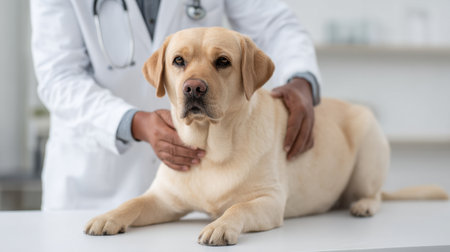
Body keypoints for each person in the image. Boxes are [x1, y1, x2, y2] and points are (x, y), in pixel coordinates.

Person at [31, 0, 321, 211]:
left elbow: (276, 25)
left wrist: (302, 78)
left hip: (197, 197)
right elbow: (59, 76)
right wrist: (133, 123)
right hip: (93, 187)